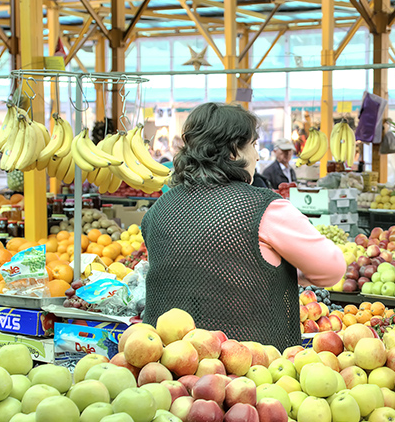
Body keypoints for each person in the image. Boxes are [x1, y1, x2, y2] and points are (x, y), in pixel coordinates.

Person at [141, 103, 345, 346]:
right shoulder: (265, 209)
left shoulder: (158, 210)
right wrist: (284, 268)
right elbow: (332, 268)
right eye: (254, 145)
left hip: (167, 361)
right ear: (234, 152)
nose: (258, 156)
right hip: (251, 365)